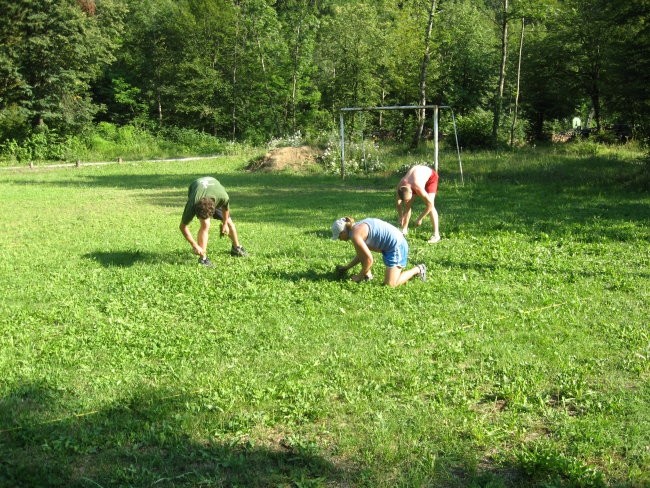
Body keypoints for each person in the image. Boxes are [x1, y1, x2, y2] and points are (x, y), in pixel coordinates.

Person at [331, 216, 426, 287]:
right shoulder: (356, 227)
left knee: (390, 285)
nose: (340, 239)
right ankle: (368, 276)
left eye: (339, 236)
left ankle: (418, 269)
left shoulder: (355, 235)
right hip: (390, 246)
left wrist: (359, 276)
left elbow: (369, 260)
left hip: (397, 246)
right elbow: (362, 255)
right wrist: (347, 267)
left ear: (343, 232)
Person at [179, 176, 248, 267]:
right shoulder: (193, 203)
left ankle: (236, 248)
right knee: (205, 224)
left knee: (230, 223)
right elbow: (182, 227)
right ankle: (203, 259)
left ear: (215, 207)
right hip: (196, 187)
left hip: (214, 190)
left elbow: (225, 208)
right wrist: (194, 245)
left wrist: (224, 224)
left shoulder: (223, 197)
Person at [396, 164, 441, 243]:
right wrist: (400, 216)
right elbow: (398, 202)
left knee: (431, 204)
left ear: (411, 191)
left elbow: (430, 205)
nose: (406, 201)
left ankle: (436, 235)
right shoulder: (401, 185)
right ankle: (404, 230)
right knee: (408, 205)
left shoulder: (417, 186)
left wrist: (420, 218)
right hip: (415, 179)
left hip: (431, 178)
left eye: (407, 199)